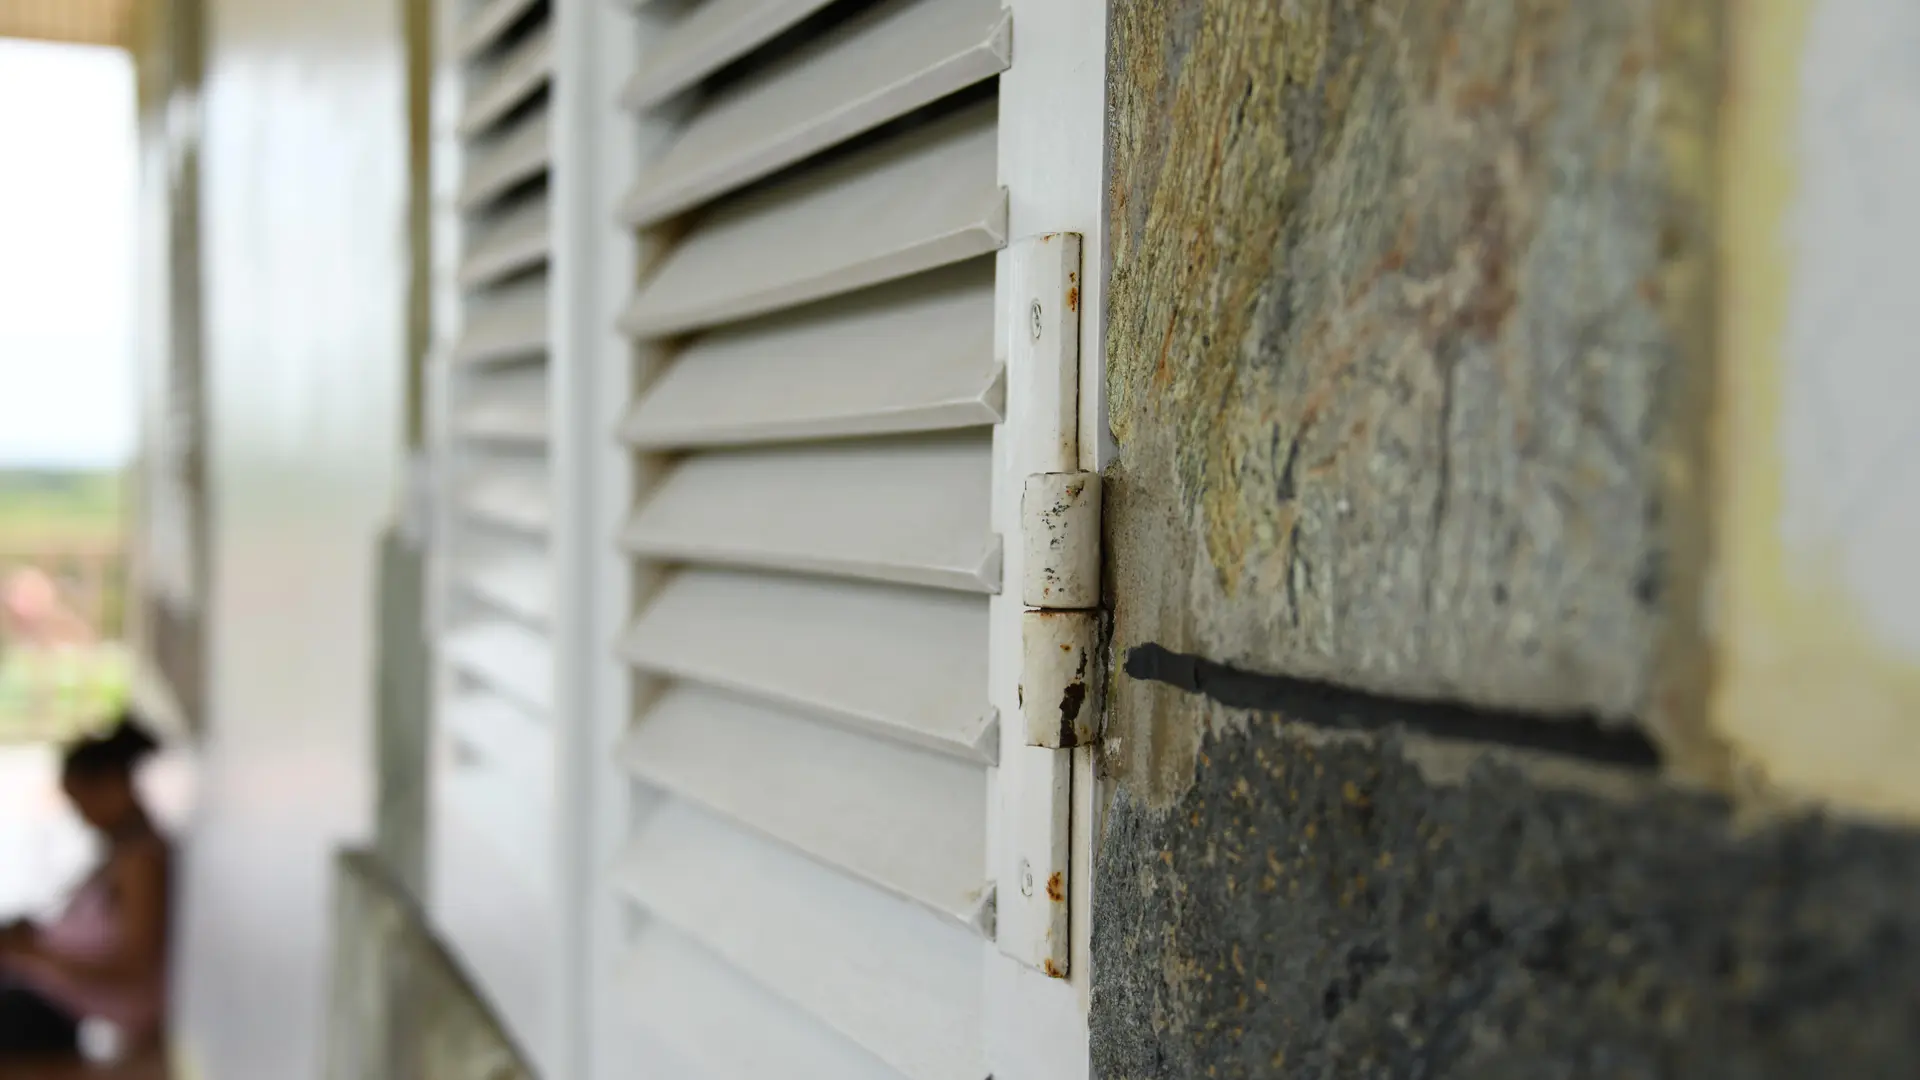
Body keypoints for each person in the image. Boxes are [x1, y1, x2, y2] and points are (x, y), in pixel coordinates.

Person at [0, 713, 169, 1059]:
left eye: (82, 802)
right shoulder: (120, 853)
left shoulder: (141, 861)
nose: (83, 816)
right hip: (44, 989)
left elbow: (134, 969)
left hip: (58, 1007)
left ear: (113, 785)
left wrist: (36, 953)